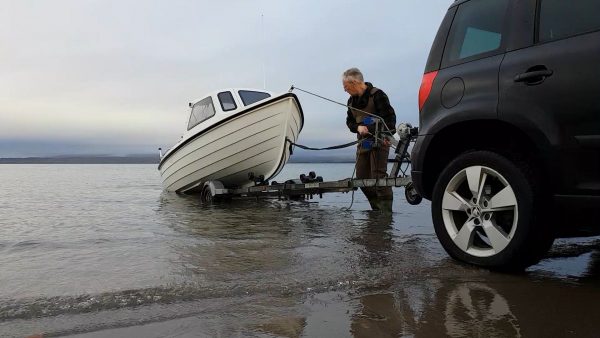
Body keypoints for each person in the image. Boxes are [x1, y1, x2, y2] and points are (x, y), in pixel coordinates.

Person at [343, 67, 396, 212]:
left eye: (346, 87)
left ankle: (385, 214)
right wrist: (358, 127)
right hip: (362, 143)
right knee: (361, 178)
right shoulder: (350, 101)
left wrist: (383, 134)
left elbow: (390, 120)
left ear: (355, 83)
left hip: (380, 141)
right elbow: (349, 122)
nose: (345, 90)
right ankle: (376, 208)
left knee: (379, 178)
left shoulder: (378, 95)